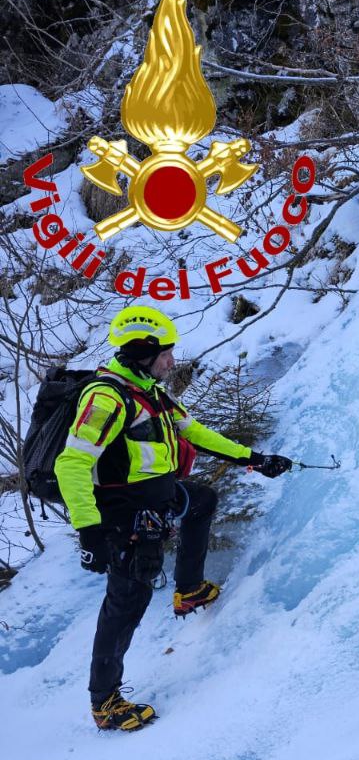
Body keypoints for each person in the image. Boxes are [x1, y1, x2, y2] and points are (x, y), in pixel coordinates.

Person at [54, 305, 293, 731]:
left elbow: (192, 431)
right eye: (165, 352)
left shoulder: (150, 389)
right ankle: (105, 702)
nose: (172, 360)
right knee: (127, 600)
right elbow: (71, 465)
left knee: (200, 499)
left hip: (158, 497)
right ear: (141, 352)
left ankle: (190, 590)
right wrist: (89, 532)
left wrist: (254, 459)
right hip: (123, 514)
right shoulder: (107, 398)